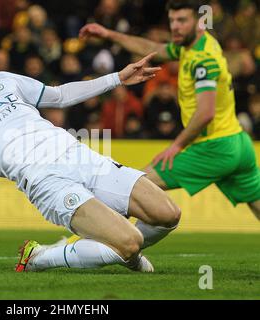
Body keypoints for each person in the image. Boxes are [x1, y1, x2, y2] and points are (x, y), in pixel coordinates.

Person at [0, 33, 181, 272]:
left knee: (168, 214)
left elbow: (59, 96)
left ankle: (124, 252)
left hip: (80, 156)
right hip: (46, 181)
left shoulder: (2, 81)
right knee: (130, 242)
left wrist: (117, 78)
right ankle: (40, 258)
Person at [60, 0, 260, 248]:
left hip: (214, 148)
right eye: (172, 20)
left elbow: (206, 112)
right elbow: (153, 48)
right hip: (239, 144)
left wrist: (176, 146)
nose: (175, 27)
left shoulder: (203, 61)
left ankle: (75, 245)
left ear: (199, 22)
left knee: (131, 187)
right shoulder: (196, 46)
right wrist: (109, 34)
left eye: (182, 21)